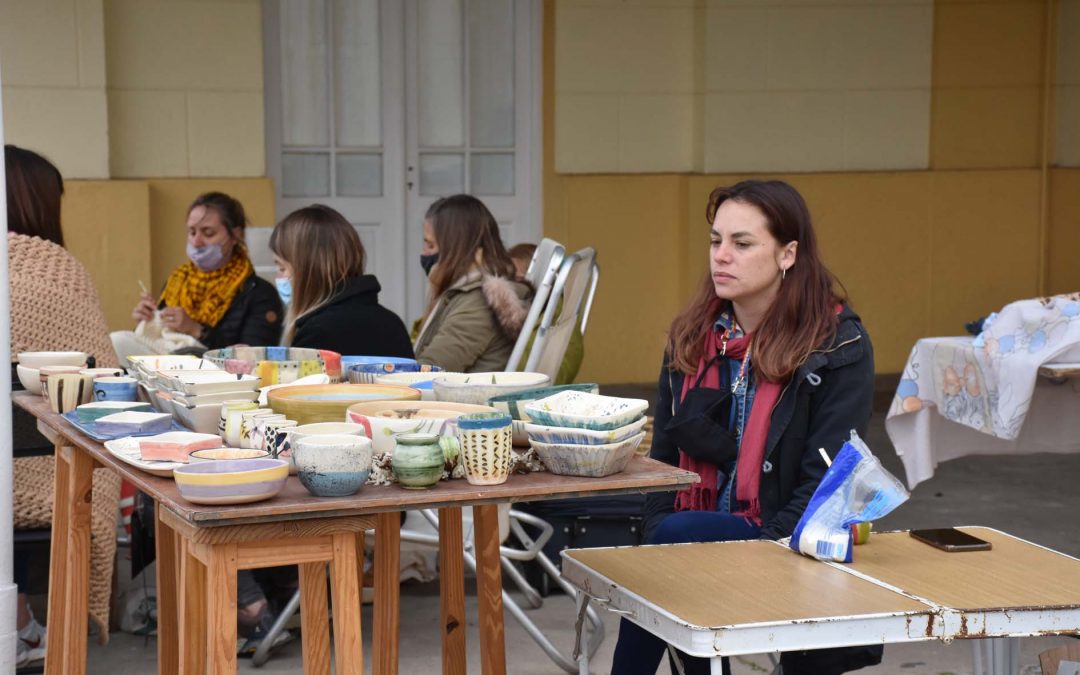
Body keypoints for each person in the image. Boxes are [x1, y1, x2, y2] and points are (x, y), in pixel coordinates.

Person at [611, 180, 879, 675]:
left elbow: (828, 480)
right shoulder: (692, 339)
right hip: (687, 534)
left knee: (675, 543)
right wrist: (656, 533)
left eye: (742, 243)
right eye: (716, 241)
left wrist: (759, 547)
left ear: (787, 254)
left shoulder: (837, 346)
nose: (722, 256)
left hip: (783, 533)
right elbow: (663, 460)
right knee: (670, 548)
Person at [6, 144, 122, 666]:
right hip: (53, 480)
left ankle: (19, 625)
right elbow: (106, 388)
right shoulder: (60, 275)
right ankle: (28, 629)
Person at [114, 192, 283, 360]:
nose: (196, 242)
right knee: (117, 343)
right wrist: (148, 322)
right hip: (165, 367)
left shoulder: (258, 293)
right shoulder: (176, 282)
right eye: (192, 232)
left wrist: (196, 330)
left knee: (119, 341)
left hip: (215, 373)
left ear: (236, 235)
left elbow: (256, 355)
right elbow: (159, 340)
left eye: (208, 233)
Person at [269, 204, 413, 357]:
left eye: (282, 268)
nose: (278, 278)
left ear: (309, 271)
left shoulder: (318, 332)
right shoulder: (393, 323)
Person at [414, 195, 532, 373]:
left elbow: (431, 369)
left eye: (430, 246)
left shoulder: (478, 302)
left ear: (456, 250)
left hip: (457, 391)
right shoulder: (466, 291)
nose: (424, 253)